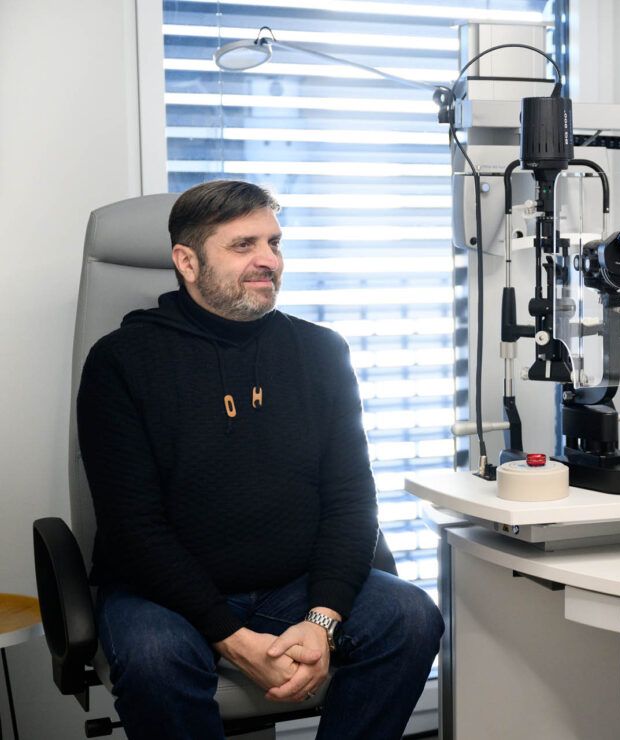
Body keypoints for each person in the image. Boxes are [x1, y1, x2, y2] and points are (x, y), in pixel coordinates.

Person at [77, 180, 444, 739]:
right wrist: (230, 636)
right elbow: (134, 528)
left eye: (274, 243)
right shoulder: (122, 362)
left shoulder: (321, 352)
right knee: (153, 658)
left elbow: (350, 500)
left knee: (411, 617)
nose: (267, 260)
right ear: (187, 261)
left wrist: (321, 621)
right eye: (243, 245)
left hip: (291, 586)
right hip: (167, 596)